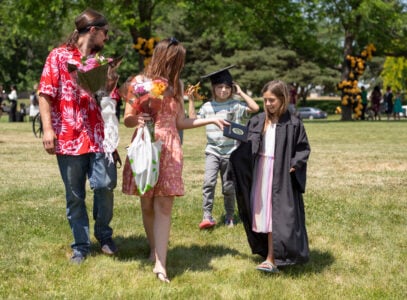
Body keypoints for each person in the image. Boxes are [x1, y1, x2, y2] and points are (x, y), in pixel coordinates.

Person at [121, 37, 228, 283]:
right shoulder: (138, 83)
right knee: (147, 204)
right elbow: (127, 117)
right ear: (164, 58)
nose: (177, 67)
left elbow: (180, 121)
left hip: (170, 147)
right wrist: (138, 118)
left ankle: (161, 264)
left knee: (164, 206)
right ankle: (153, 248)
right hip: (146, 146)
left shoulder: (177, 85)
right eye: (175, 61)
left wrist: (210, 120)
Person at [38, 8, 120, 264]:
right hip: (68, 135)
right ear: (93, 30)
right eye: (105, 33)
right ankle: (81, 246)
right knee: (75, 196)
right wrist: (48, 129)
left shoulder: (103, 61)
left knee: (105, 185)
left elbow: (111, 100)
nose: (106, 38)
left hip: (99, 135)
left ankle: (104, 235)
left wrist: (105, 92)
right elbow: (45, 94)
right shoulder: (58, 57)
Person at [229, 80, 311, 273]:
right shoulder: (258, 121)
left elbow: (303, 148)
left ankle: (271, 258)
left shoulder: (293, 123)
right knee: (263, 212)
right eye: (265, 100)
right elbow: (247, 143)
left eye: (272, 100)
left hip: (281, 173)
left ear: (282, 99)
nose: (267, 104)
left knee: (277, 213)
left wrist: (294, 164)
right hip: (261, 171)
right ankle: (270, 253)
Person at [188, 66, 259, 229]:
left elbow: (255, 108)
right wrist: (191, 100)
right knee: (208, 182)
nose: (224, 90)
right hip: (212, 151)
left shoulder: (235, 105)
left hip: (231, 153)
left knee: (228, 187)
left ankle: (229, 216)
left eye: (227, 87)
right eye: (220, 87)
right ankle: (207, 216)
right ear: (213, 88)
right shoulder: (207, 107)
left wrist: (240, 92)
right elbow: (193, 120)